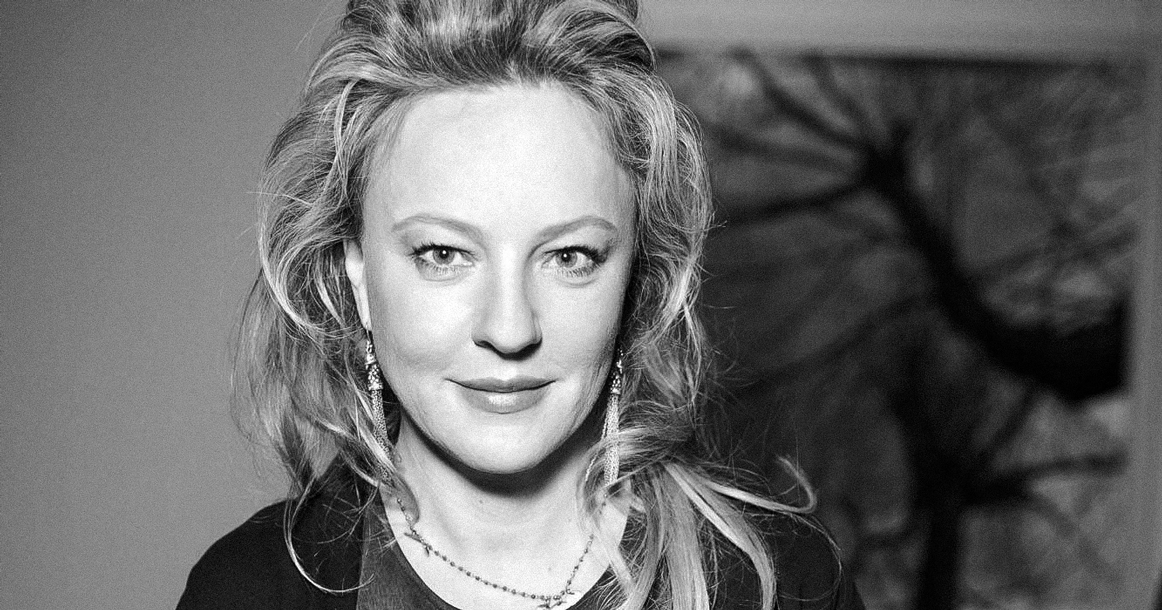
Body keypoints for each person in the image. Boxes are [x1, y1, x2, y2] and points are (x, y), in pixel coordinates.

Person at [177, 0, 864, 608]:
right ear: (356, 272)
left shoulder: (784, 585)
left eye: (570, 257)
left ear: (636, 276)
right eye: (443, 254)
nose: (510, 329)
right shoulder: (248, 591)